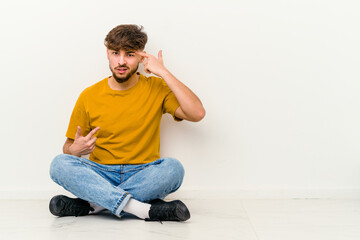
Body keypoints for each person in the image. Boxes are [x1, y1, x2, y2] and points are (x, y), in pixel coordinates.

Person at [49, 24, 205, 222]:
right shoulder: (89, 95)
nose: (121, 61)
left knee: (173, 169)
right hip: (101, 172)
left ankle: (94, 205)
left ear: (141, 57)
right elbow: (67, 149)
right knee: (59, 164)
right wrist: (75, 150)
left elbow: (197, 113)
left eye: (130, 54)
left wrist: (164, 72)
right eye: (116, 53)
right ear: (108, 53)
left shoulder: (157, 88)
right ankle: (142, 209)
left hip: (143, 172)